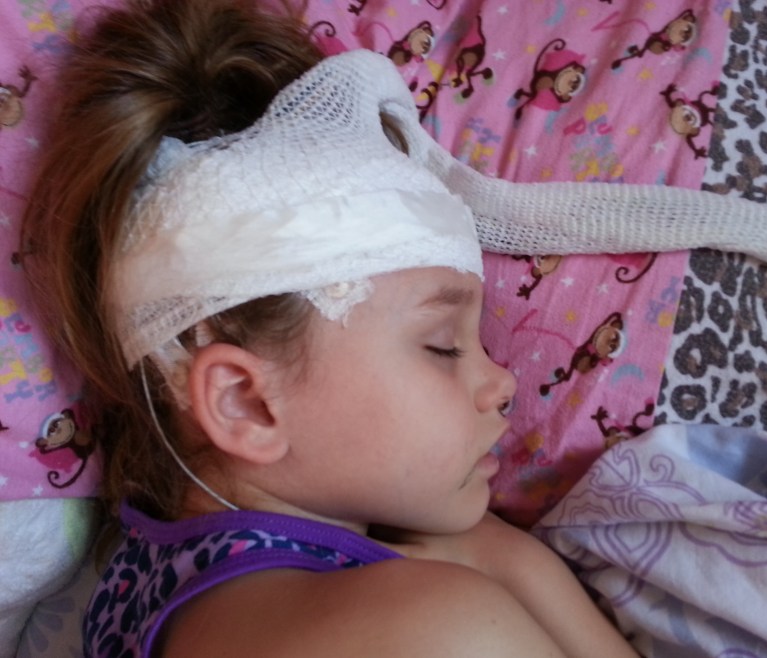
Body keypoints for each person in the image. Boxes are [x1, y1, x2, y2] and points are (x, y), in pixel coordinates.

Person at [21, 1, 638, 656]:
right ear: (245, 401)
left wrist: (498, 555)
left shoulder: (144, 587)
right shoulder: (433, 628)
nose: (503, 381)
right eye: (442, 346)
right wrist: (499, 564)